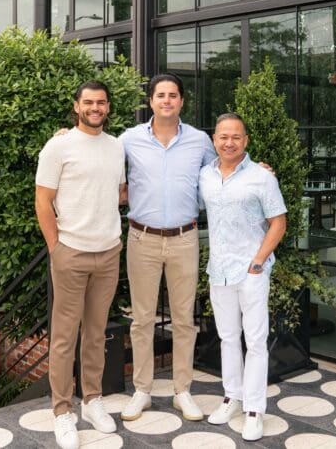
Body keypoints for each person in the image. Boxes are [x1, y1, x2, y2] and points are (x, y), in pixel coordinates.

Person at [118, 74, 215, 423]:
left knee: (185, 319)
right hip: (141, 238)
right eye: (160, 95)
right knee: (142, 319)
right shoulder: (129, 140)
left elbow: (222, 171)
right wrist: (65, 137)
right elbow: (98, 158)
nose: (167, 101)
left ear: (182, 102)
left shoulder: (200, 141)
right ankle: (142, 390)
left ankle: (182, 390)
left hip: (185, 238)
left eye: (173, 95)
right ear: (151, 101)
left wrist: (255, 169)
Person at [35, 80, 126, 449]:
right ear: (77, 106)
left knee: (96, 332)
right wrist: (56, 248)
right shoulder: (58, 146)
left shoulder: (116, 146)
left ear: (107, 107)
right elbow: (43, 201)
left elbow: (119, 193)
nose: (95, 108)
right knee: (63, 337)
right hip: (70, 252)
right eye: (88, 102)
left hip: (108, 252)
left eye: (101, 102)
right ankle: (61, 412)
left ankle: (92, 401)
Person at [199, 113, 287, 442]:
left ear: (245, 141)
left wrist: (258, 261)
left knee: (256, 341)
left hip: (251, 270)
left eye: (236, 137)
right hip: (219, 270)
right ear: (214, 140)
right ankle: (231, 398)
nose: (229, 142)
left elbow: (278, 222)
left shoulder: (261, 177)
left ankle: (254, 410)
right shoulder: (205, 176)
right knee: (227, 338)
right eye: (223, 136)